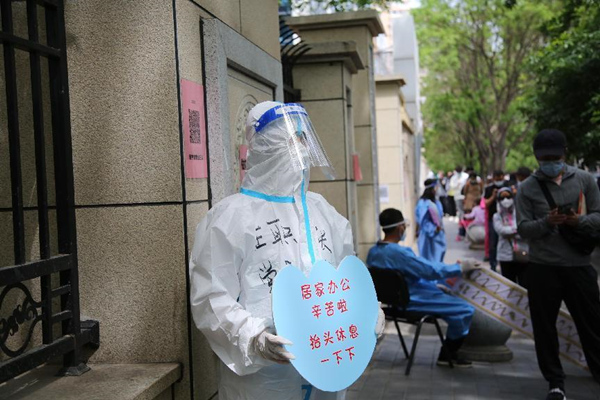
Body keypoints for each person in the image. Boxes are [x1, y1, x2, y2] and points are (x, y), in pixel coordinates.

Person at [189, 101, 385, 400]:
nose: (302, 150)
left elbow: (347, 275)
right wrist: (253, 338)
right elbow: (211, 296)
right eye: (293, 139)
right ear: (264, 145)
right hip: (264, 380)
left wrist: (368, 311)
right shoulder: (230, 217)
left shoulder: (321, 210)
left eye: (305, 139)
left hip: (329, 365)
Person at [516, 128, 600, 400]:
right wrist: (546, 222)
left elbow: (598, 216)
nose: (550, 163)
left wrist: (579, 221)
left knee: (592, 323)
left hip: (580, 266)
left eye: (554, 157)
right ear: (536, 157)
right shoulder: (527, 188)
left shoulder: (585, 180)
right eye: (544, 159)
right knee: (544, 328)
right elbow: (523, 228)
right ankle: (555, 382)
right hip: (543, 267)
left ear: (564, 154)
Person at [367, 208, 479, 367]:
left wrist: (434, 287)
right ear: (400, 228)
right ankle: (448, 353)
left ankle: (448, 351)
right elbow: (428, 270)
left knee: (450, 305)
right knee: (465, 309)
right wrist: (459, 268)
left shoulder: (373, 252)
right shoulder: (400, 253)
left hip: (393, 301)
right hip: (413, 300)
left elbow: (408, 276)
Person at [493, 187, 528, 287]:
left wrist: (511, 230)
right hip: (505, 255)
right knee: (508, 285)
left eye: (508, 197)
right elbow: (501, 231)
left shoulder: (520, 213)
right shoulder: (497, 216)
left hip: (522, 253)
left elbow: (525, 231)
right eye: (502, 198)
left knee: (524, 284)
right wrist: (517, 229)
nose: (506, 200)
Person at [483, 170, 510, 271]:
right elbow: (486, 204)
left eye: (500, 177)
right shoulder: (489, 189)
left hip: (507, 219)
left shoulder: (508, 187)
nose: (499, 179)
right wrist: (493, 196)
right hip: (493, 219)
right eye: (497, 177)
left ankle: (505, 263)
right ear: (493, 178)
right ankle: (493, 264)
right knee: (493, 242)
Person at [416, 179, 446, 262]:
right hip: (428, 238)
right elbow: (423, 221)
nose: (437, 189)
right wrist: (434, 229)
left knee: (438, 261)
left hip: (438, 237)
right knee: (430, 262)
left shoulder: (436, 202)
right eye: (436, 187)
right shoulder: (423, 204)